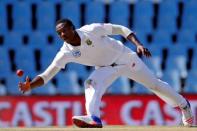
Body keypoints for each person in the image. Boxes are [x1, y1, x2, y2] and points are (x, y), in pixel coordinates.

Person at [18, 19, 193, 128]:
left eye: (65, 30)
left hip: (125, 58)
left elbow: (121, 29)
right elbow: (47, 75)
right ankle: (94, 118)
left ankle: (184, 106)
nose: (62, 34)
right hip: (105, 68)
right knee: (90, 83)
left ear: (73, 27)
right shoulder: (65, 52)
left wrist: (137, 44)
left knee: (154, 85)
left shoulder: (91, 29)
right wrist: (30, 85)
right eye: (59, 33)